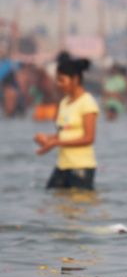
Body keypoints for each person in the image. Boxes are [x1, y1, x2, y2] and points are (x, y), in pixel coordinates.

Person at [34, 59, 100, 190]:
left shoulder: (87, 102)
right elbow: (64, 134)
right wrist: (47, 138)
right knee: (51, 202)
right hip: (62, 166)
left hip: (81, 168)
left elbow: (89, 138)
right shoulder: (64, 102)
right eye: (57, 80)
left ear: (75, 79)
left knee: (78, 208)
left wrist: (55, 143)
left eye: (62, 80)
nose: (59, 84)